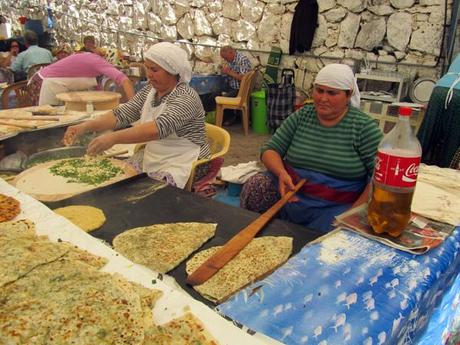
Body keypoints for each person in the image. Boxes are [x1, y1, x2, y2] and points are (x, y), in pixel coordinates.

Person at [240, 64, 383, 233]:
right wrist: (281, 173)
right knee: (257, 186)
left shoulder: (363, 128)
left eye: (332, 93)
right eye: (319, 90)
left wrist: (352, 214)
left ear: (348, 94)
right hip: (290, 194)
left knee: (328, 241)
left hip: (334, 206)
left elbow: (379, 177)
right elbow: (270, 150)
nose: (323, 98)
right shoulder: (301, 116)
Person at [62, 42, 211, 189]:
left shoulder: (186, 97)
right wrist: (85, 127)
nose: (149, 75)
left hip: (184, 160)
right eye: (147, 68)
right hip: (156, 154)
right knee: (117, 176)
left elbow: (158, 128)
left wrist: (113, 138)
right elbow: (122, 114)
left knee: (144, 191)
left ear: (172, 71)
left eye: (154, 69)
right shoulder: (150, 91)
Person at [28, 51, 135, 106]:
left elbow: (97, 89)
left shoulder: (93, 62)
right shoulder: (97, 62)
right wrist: (134, 106)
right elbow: (125, 80)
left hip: (50, 81)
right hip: (41, 81)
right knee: (47, 120)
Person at [219, 46, 251, 125]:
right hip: (232, 86)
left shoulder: (242, 59)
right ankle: (223, 117)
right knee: (212, 93)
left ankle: (227, 119)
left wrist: (229, 72)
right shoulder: (231, 60)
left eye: (225, 57)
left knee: (221, 97)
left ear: (231, 52)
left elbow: (243, 78)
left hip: (239, 90)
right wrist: (224, 71)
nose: (225, 59)